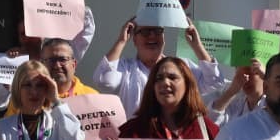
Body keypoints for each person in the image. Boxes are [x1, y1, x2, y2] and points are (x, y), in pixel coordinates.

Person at [94, 17, 222, 117]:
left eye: (157, 31)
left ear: (163, 38)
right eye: (145, 32)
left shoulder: (180, 66)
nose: (152, 35)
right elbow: (104, 81)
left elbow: (214, 82)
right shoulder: (126, 68)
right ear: (134, 39)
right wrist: (121, 41)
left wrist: (197, 46)